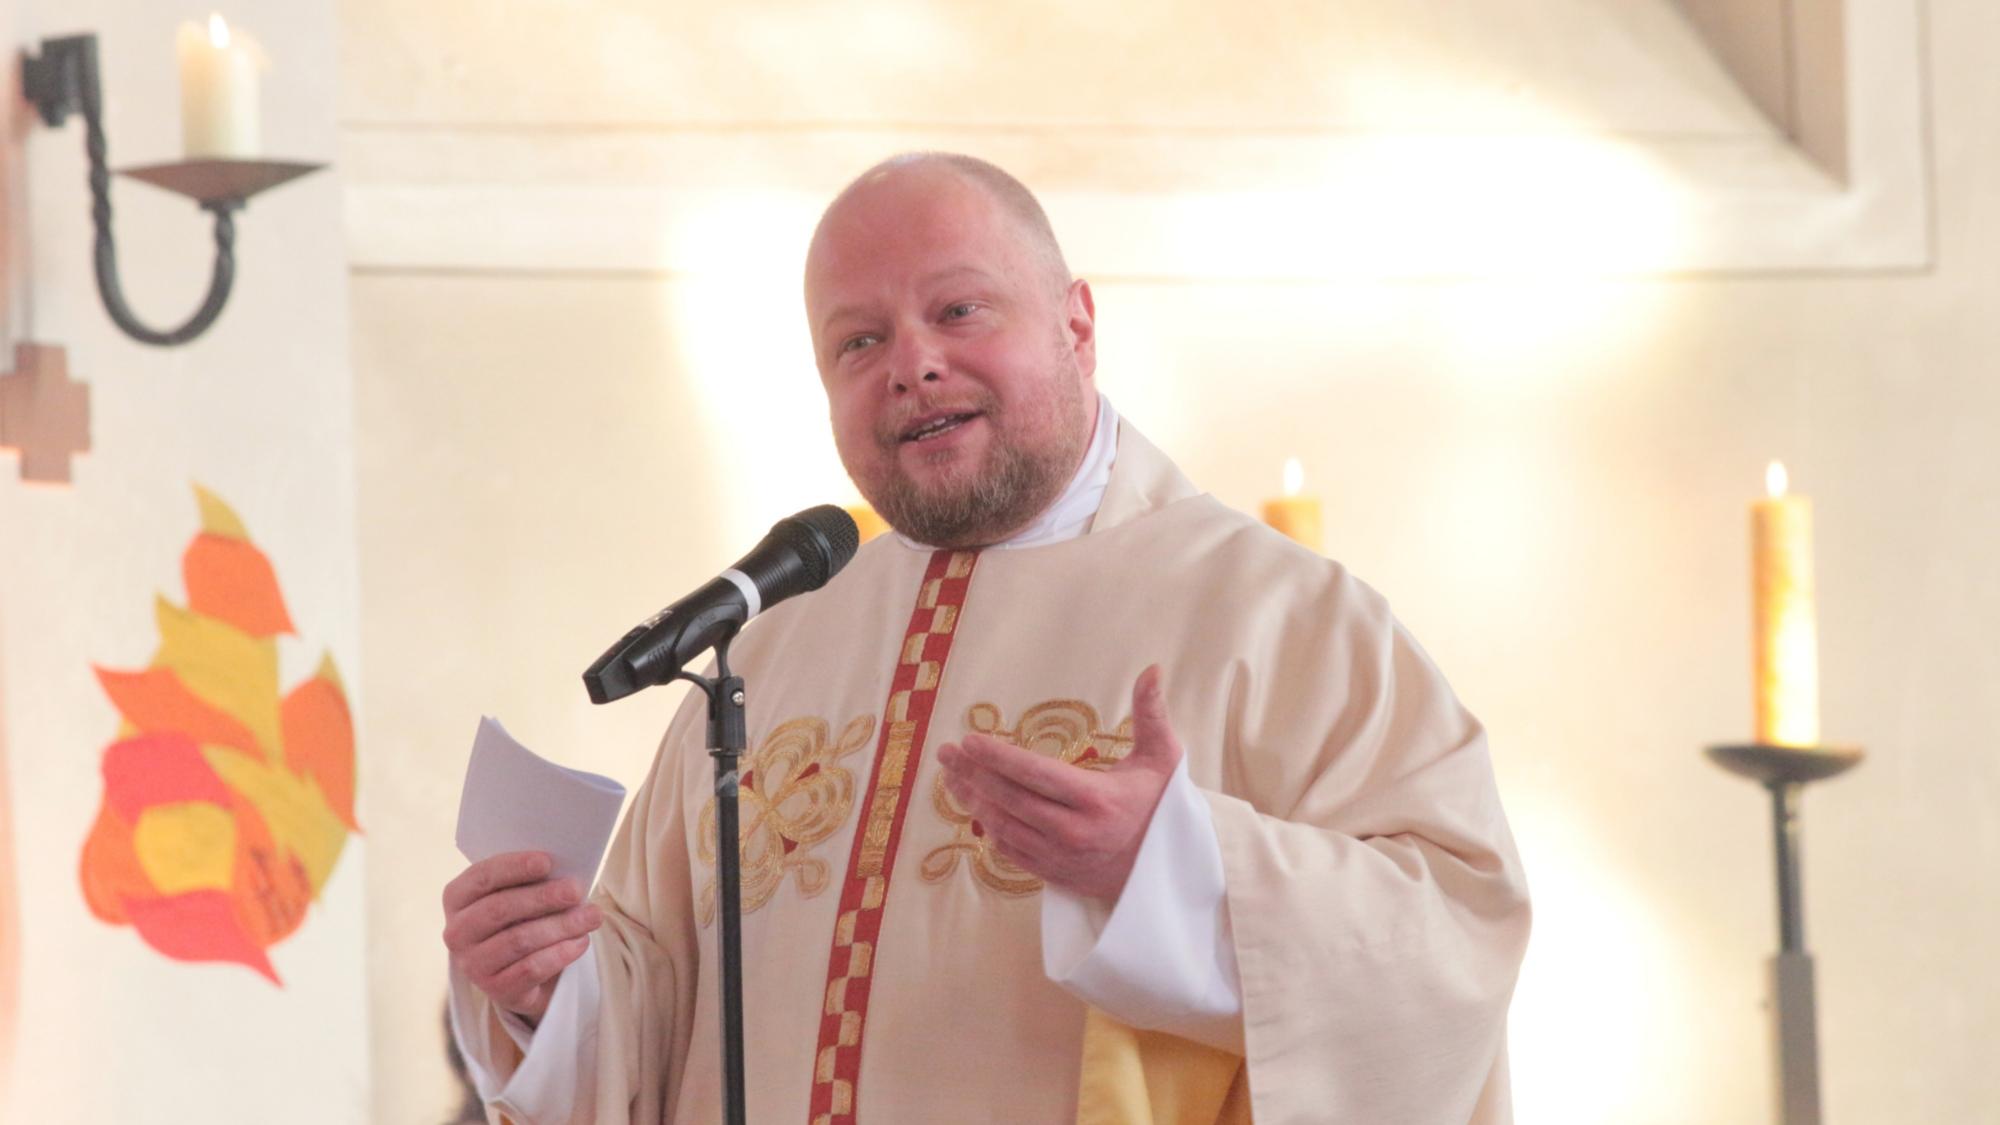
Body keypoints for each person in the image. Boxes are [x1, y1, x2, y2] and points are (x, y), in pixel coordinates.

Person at [443, 153, 1531, 1124]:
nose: (910, 365)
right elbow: (668, 1016)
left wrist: (1174, 868)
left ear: (1076, 325)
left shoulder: (1273, 617)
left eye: (958, 313)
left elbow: (1456, 937)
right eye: (857, 341)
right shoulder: (773, 648)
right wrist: (547, 988)